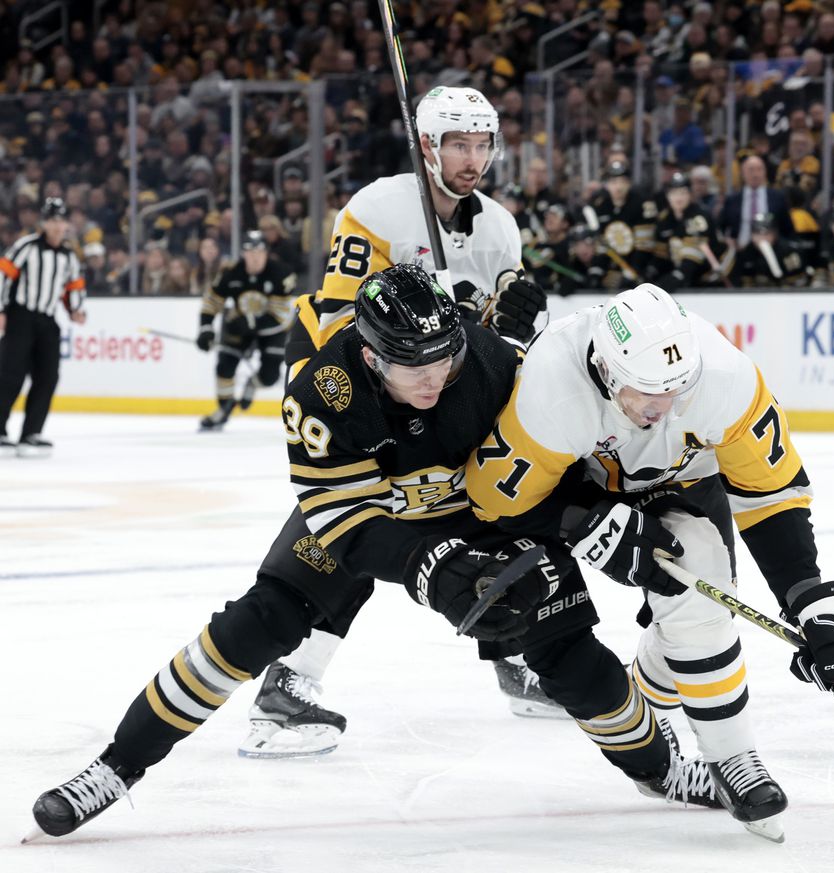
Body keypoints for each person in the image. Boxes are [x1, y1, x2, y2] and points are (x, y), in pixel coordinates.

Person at [27, 266, 721, 841]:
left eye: (444, 357)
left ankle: (663, 769)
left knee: (571, 655)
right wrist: (433, 569)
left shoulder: (486, 360)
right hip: (374, 518)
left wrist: (596, 519)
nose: (434, 377)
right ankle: (115, 766)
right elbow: (345, 523)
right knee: (255, 624)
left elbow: (550, 463)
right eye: (411, 365)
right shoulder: (322, 395)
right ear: (367, 354)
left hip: (486, 509)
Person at [465, 284, 834, 842]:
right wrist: (583, 521)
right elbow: (494, 500)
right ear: (605, 373)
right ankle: (736, 759)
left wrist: (808, 599)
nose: (666, 409)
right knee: (691, 602)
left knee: (698, 601)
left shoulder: (725, 377)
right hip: (577, 488)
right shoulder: (553, 385)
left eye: (679, 391)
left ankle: (664, 694)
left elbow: (771, 493)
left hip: (681, 481)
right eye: (648, 394)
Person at [258, 84, 557, 753]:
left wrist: (508, 318)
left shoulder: (501, 226)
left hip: (433, 385)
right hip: (349, 382)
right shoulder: (378, 208)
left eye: (481, 143)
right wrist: (443, 302)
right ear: (427, 144)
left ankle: (515, 653)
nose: (471, 157)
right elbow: (341, 320)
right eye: (457, 143)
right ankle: (290, 678)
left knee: (492, 500)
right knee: (366, 517)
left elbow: (493, 339)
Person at [0, 197, 87, 457]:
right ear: (44, 222)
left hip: (48, 320)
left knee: (48, 376)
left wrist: (76, 310)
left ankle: (31, 433)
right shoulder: (26, 247)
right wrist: (2, 309)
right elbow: (5, 275)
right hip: (21, 317)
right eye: (52, 220)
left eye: (61, 220)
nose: (57, 226)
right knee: (10, 375)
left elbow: (73, 287)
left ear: (67, 224)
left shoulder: (69, 256)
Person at [194, 230, 297, 430]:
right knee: (224, 365)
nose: (255, 256)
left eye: (260, 251)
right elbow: (211, 302)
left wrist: (250, 326)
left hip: (272, 329)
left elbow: (282, 318)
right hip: (240, 324)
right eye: (250, 251)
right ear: (243, 253)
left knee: (269, 377)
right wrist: (205, 329)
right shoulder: (231, 272)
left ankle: (251, 384)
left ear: (266, 252)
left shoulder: (281, 273)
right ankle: (224, 409)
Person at [587, 160, 659, 287]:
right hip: (615, 266)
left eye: (622, 182)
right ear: (607, 185)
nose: (618, 187)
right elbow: (602, 245)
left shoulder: (642, 204)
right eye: (613, 182)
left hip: (641, 266)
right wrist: (597, 271)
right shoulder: (600, 205)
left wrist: (632, 272)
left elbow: (644, 245)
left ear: (629, 184)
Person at [650, 171, 719, 291]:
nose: (679, 198)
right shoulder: (664, 220)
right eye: (674, 193)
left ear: (690, 195)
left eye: (683, 193)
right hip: (683, 276)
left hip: (708, 279)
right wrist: (651, 271)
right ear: (667, 196)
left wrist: (678, 275)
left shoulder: (699, 217)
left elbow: (693, 256)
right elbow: (661, 256)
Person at [725, 212, 810, 287]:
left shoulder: (789, 251)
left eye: (766, 234)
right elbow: (741, 283)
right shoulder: (746, 253)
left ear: (775, 233)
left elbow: (798, 282)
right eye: (757, 233)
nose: (761, 238)